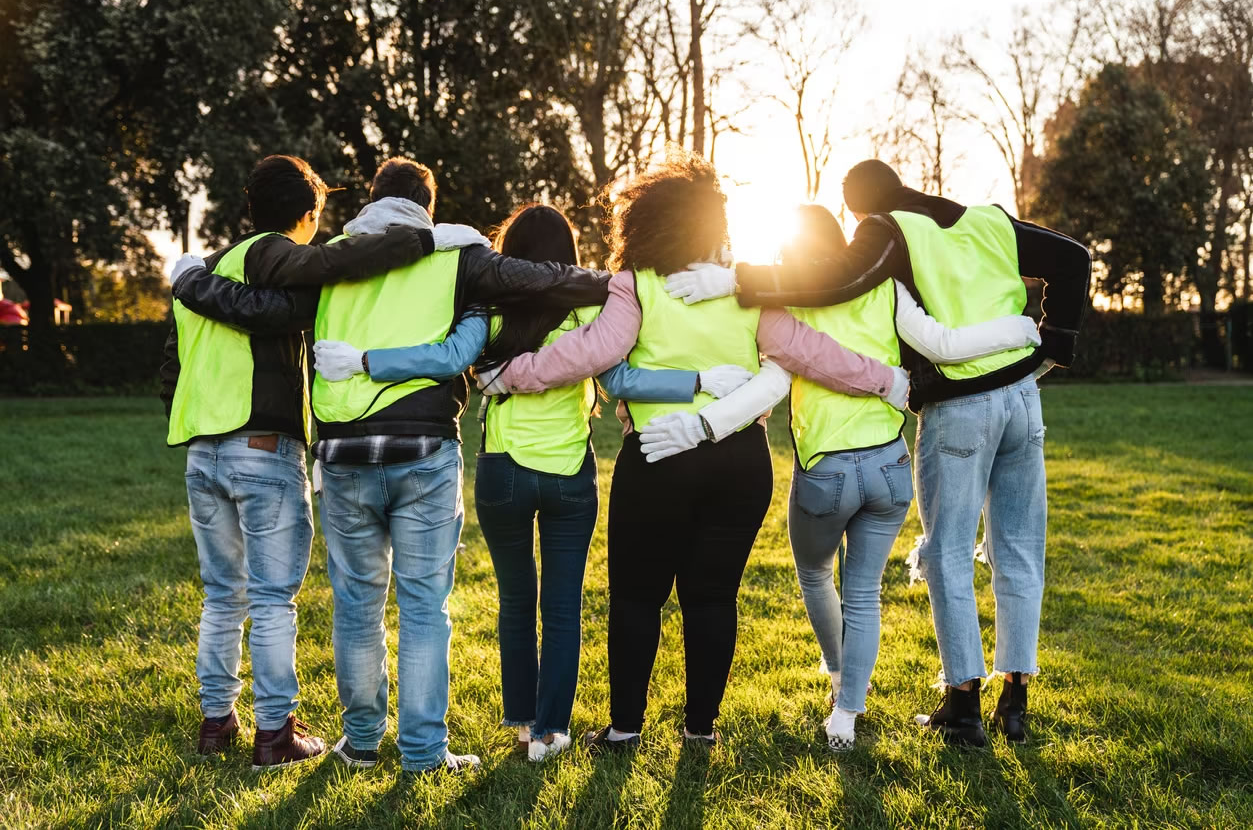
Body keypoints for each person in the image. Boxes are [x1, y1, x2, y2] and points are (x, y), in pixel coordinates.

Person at [481, 153, 909, 750]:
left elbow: (586, 353)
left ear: (645, 223)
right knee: (712, 597)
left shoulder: (635, 288)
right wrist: (884, 379)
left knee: (636, 597)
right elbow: (809, 350)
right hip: (739, 464)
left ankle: (626, 728)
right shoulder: (747, 292)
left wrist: (511, 374)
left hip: (656, 463)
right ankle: (700, 729)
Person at [660, 159, 1092, 746]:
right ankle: (1015, 700)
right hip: (1022, 399)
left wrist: (735, 278)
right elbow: (1073, 260)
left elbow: (835, 278)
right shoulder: (989, 222)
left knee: (947, 555)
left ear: (859, 210)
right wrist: (1054, 343)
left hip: (962, 407)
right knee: (1018, 549)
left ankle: (964, 704)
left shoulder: (887, 230)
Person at [314, 203, 751, 762]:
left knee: (516, 603)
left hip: (504, 473)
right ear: (567, 256)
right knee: (563, 608)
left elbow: (457, 360)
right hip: (570, 474)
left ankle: (522, 726)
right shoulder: (591, 311)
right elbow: (619, 376)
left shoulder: (489, 310)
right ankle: (553, 731)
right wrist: (696, 379)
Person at [159, 154, 436, 770]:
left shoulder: (203, 271)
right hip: (261, 447)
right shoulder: (270, 254)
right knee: (271, 598)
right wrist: (418, 239)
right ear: (308, 215)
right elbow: (333, 264)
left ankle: (215, 722)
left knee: (221, 593)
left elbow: (171, 371)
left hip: (201, 452)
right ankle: (275, 732)